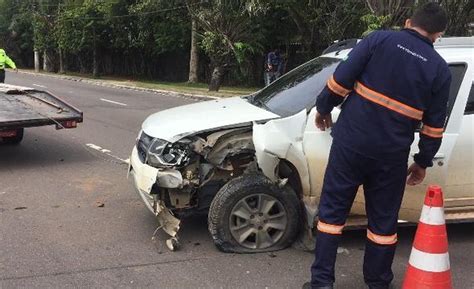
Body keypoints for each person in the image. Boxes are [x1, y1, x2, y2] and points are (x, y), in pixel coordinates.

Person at [304, 3, 451, 289]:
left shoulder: (379, 40)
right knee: (383, 225)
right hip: (390, 157)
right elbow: (434, 126)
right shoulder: (439, 71)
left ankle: (321, 283)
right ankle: (378, 282)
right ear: (438, 35)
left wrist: (322, 109)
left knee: (332, 216)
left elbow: (340, 81)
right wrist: (422, 162)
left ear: (408, 22)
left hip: (351, 145)